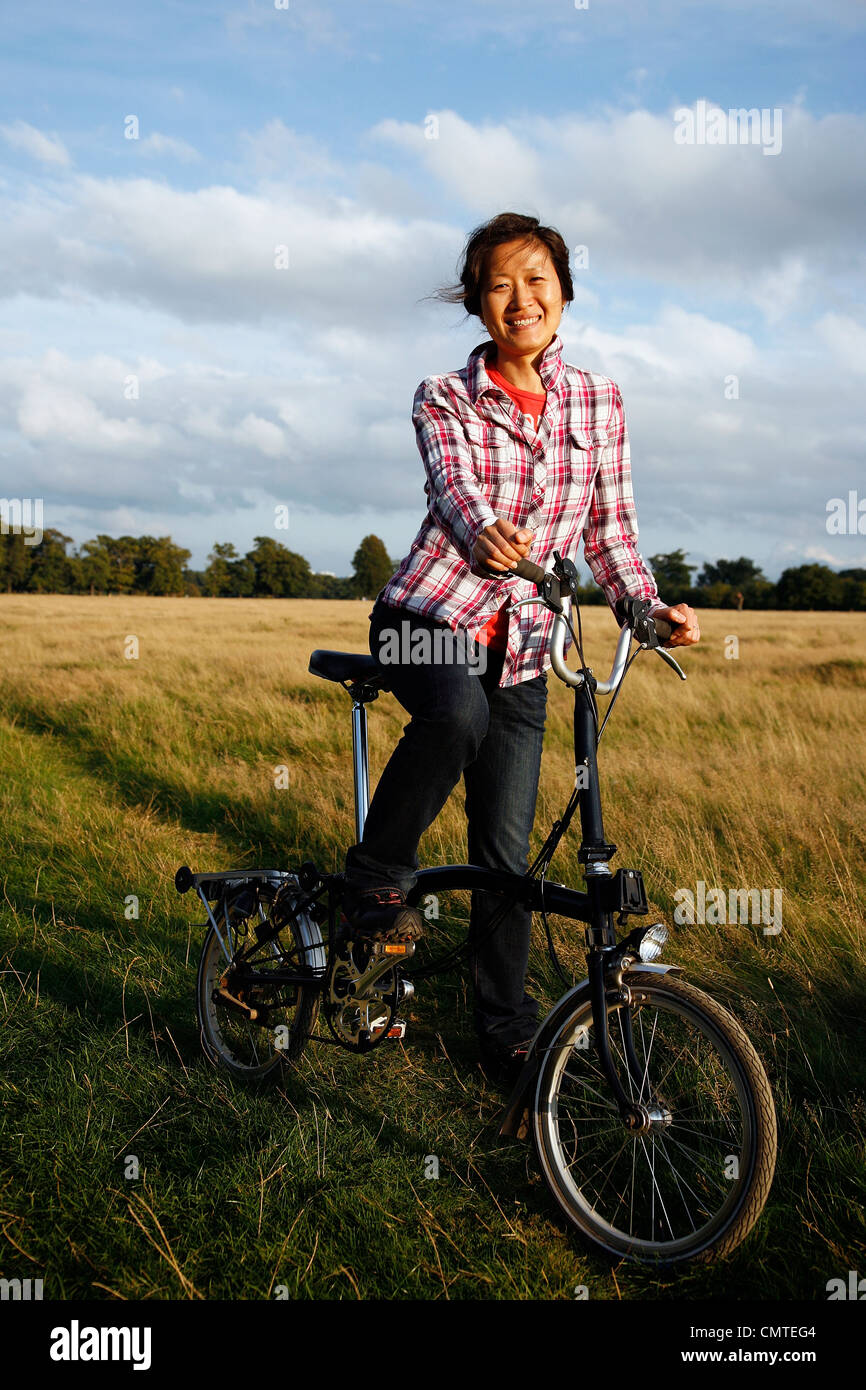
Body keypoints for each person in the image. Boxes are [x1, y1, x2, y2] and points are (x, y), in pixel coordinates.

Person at [341, 211, 700, 1079]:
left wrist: (648, 611)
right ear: (477, 303)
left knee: (507, 858)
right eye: (499, 283)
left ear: (565, 294)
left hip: (529, 649)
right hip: (429, 615)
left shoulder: (599, 401)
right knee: (455, 710)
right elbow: (455, 487)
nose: (521, 298)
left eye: (537, 279)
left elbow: (611, 536)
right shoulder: (443, 395)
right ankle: (376, 875)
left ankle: (504, 1029)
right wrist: (484, 534)